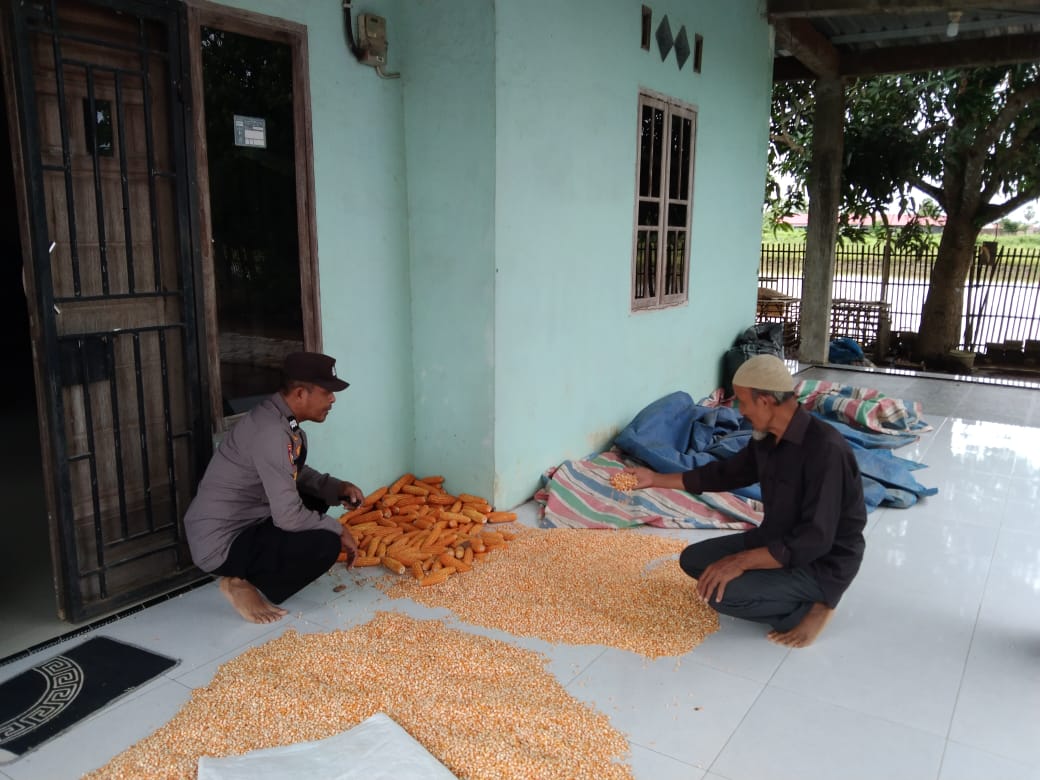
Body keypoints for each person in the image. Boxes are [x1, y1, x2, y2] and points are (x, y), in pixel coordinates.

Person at [622, 354, 866, 648]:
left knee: (720, 595)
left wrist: (741, 562)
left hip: (821, 561)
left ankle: (815, 604)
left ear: (764, 401)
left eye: (742, 400)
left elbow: (815, 539)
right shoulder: (766, 437)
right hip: (777, 538)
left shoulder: (825, 450)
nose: (739, 409)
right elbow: (725, 474)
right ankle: (776, 581)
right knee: (694, 561)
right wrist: (655, 479)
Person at [184, 352, 363, 624]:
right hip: (221, 542)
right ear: (301, 393)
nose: (333, 399)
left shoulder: (280, 418)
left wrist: (335, 487)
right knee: (324, 543)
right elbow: (289, 517)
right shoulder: (270, 432)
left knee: (316, 500)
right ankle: (237, 582)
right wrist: (338, 528)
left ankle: (252, 570)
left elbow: (290, 471)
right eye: (327, 392)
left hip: (246, 520)